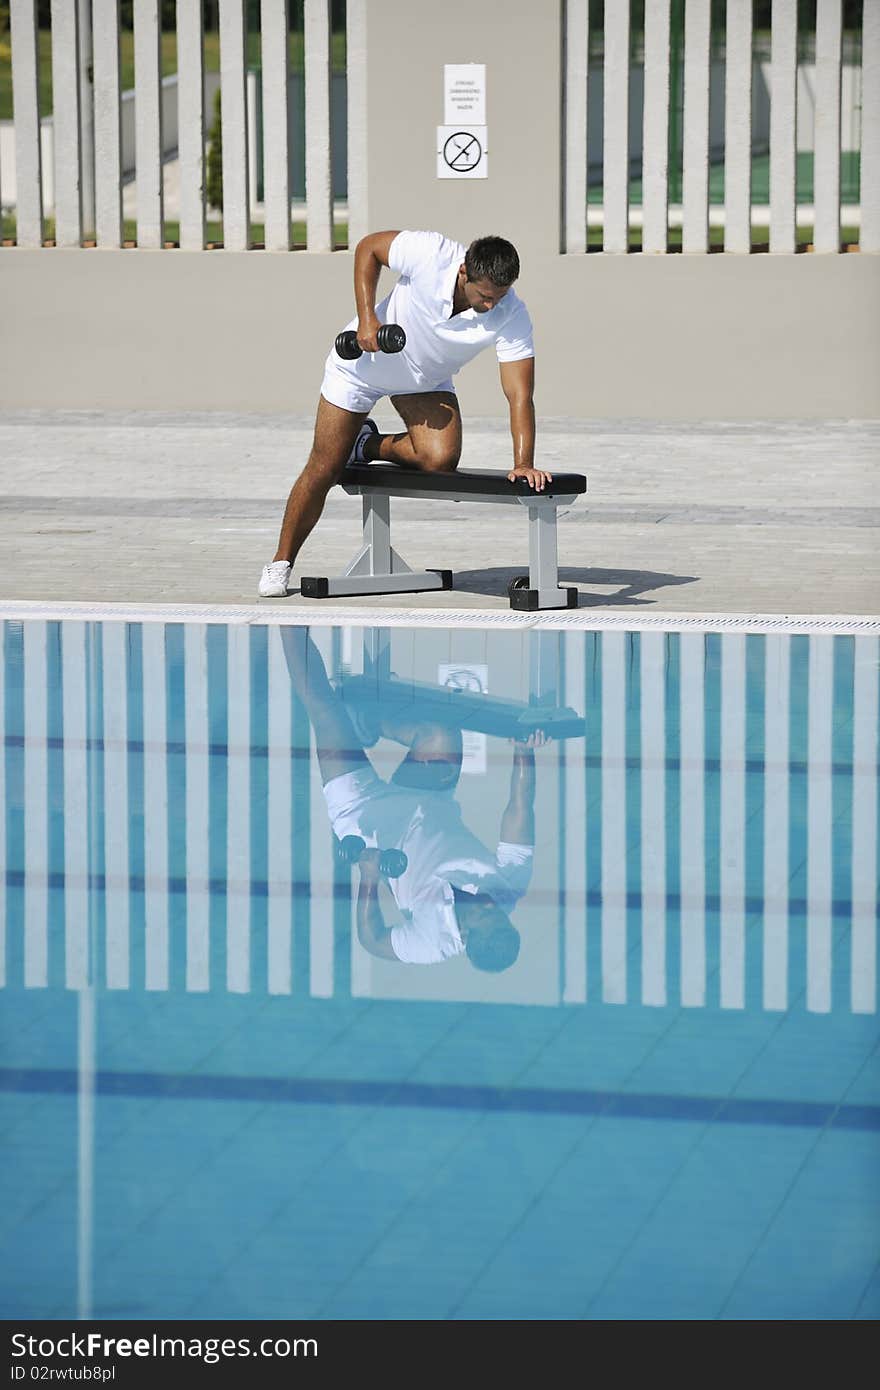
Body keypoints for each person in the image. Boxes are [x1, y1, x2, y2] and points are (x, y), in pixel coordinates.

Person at [258, 228, 551, 598]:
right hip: (362, 366)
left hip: (424, 382)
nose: (492, 305)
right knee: (325, 466)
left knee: (439, 459)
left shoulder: (512, 314)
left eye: (500, 296)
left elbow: (519, 395)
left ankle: (366, 445)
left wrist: (523, 462)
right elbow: (368, 249)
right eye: (485, 296)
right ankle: (280, 562)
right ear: (464, 272)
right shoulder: (431, 253)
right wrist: (367, 318)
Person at [282, 627, 542, 970]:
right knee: (440, 733)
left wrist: (370, 879)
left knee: (323, 707)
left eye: (485, 916)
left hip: (364, 816)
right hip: (428, 797)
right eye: (503, 917)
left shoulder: (431, 943)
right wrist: (524, 752)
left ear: (465, 935)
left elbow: (372, 940)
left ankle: (289, 621)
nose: (494, 906)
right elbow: (520, 808)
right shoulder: (509, 889)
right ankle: (367, 723)